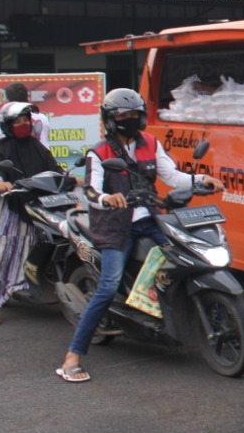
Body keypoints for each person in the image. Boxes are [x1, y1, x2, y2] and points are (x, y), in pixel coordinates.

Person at [55, 88, 224, 383]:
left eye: (133, 114)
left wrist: (200, 180)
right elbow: (91, 190)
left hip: (150, 219)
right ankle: (73, 356)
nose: (128, 120)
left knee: (188, 257)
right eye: (121, 116)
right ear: (109, 120)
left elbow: (172, 176)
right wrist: (107, 199)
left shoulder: (151, 144)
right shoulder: (100, 152)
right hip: (115, 226)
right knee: (107, 287)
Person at [0, 102, 63, 326]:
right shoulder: (1, 146)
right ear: (8, 125)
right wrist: (0, 183)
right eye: (18, 121)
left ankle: (16, 287)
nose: (23, 125)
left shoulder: (36, 146)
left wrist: (70, 179)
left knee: (29, 248)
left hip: (33, 204)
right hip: (8, 205)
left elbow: (53, 167)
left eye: (26, 120)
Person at [0, 82, 50, 149]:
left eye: (25, 120)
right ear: (28, 97)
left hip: (17, 163)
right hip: (42, 162)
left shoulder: (1, 122)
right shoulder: (43, 118)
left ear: (7, 101)